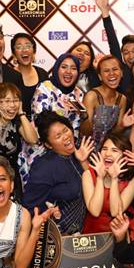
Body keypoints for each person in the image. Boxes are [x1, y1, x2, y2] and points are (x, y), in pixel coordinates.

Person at [20, 54, 85, 184]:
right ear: (56, 69)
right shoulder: (45, 87)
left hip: (66, 153)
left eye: (73, 68)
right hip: (40, 151)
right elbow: (41, 121)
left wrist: (83, 114)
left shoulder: (78, 93)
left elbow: (77, 128)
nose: (68, 71)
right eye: (64, 67)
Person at [23, 114, 93, 235]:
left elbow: (93, 186)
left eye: (65, 130)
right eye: (58, 136)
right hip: (56, 235)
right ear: (48, 145)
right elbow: (29, 207)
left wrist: (83, 161)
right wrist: (49, 213)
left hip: (82, 230)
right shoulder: (44, 167)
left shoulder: (80, 151)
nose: (66, 137)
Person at [81, 131, 134, 238]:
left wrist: (114, 179)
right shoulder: (88, 174)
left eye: (114, 150)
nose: (108, 154)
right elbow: (95, 211)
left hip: (121, 226)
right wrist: (100, 178)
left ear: (124, 156)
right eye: (104, 149)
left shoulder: (133, 178)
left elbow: (115, 212)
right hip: (94, 227)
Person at [0, 82, 38, 198]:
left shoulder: (16, 123)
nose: (12, 105)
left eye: (16, 100)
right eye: (7, 101)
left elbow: (33, 139)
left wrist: (21, 114)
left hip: (12, 178)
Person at [82, 55, 127, 147]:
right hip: (86, 148)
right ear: (100, 77)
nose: (111, 73)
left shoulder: (122, 99)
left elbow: (115, 134)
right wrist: (85, 117)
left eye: (115, 69)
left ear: (121, 73)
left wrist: (123, 125)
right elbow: (84, 132)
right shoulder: (92, 96)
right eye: (106, 71)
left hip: (106, 149)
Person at [10, 32, 49, 112]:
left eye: (28, 46)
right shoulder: (8, 76)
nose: (24, 50)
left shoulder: (43, 74)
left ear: (34, 51)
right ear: (14, 54)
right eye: (19, 47)